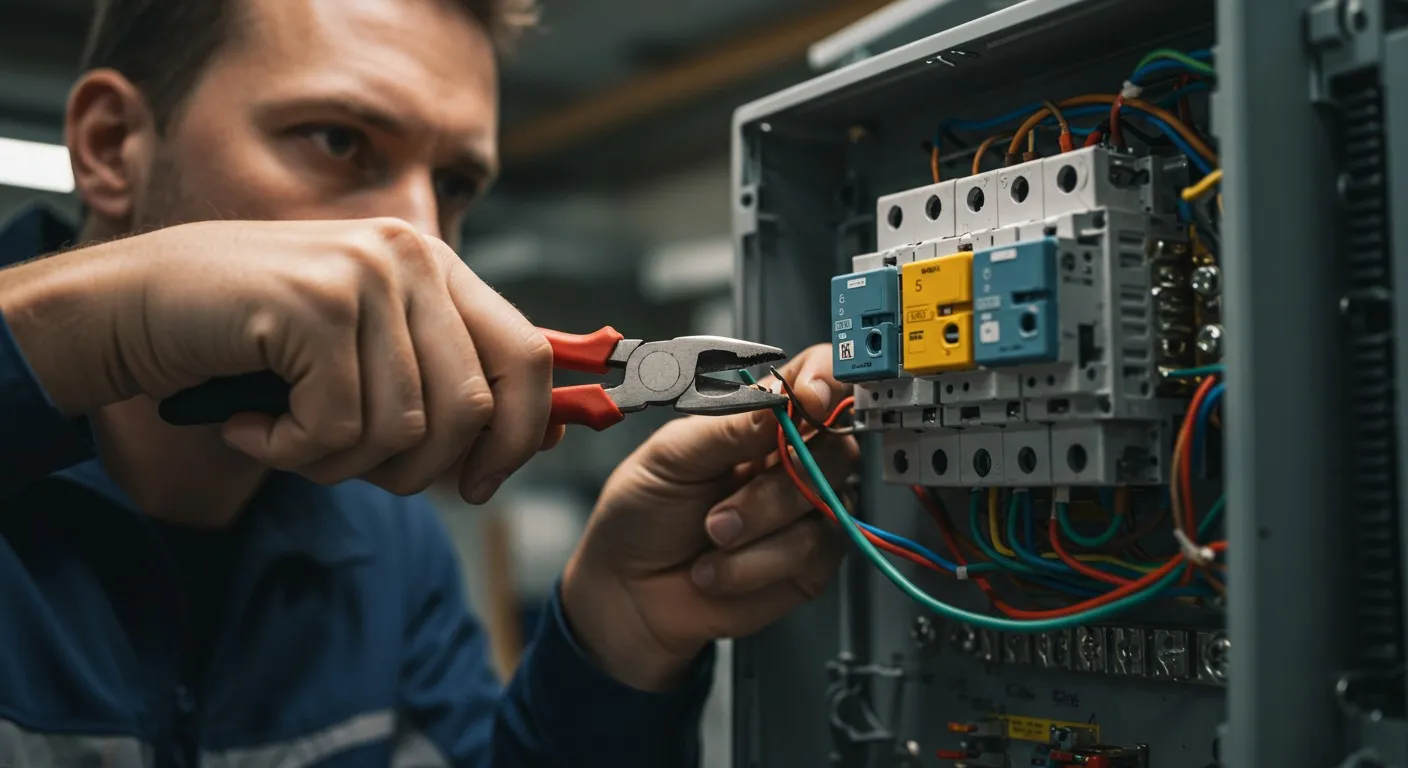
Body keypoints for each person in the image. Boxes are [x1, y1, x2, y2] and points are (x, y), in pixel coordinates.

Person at [0, 0, 860, 765]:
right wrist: (90, 327)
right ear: (112, 146)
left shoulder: (384, 542)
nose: (422, 234)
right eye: (340, 140)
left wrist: (618, 635)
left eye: (452, 184)